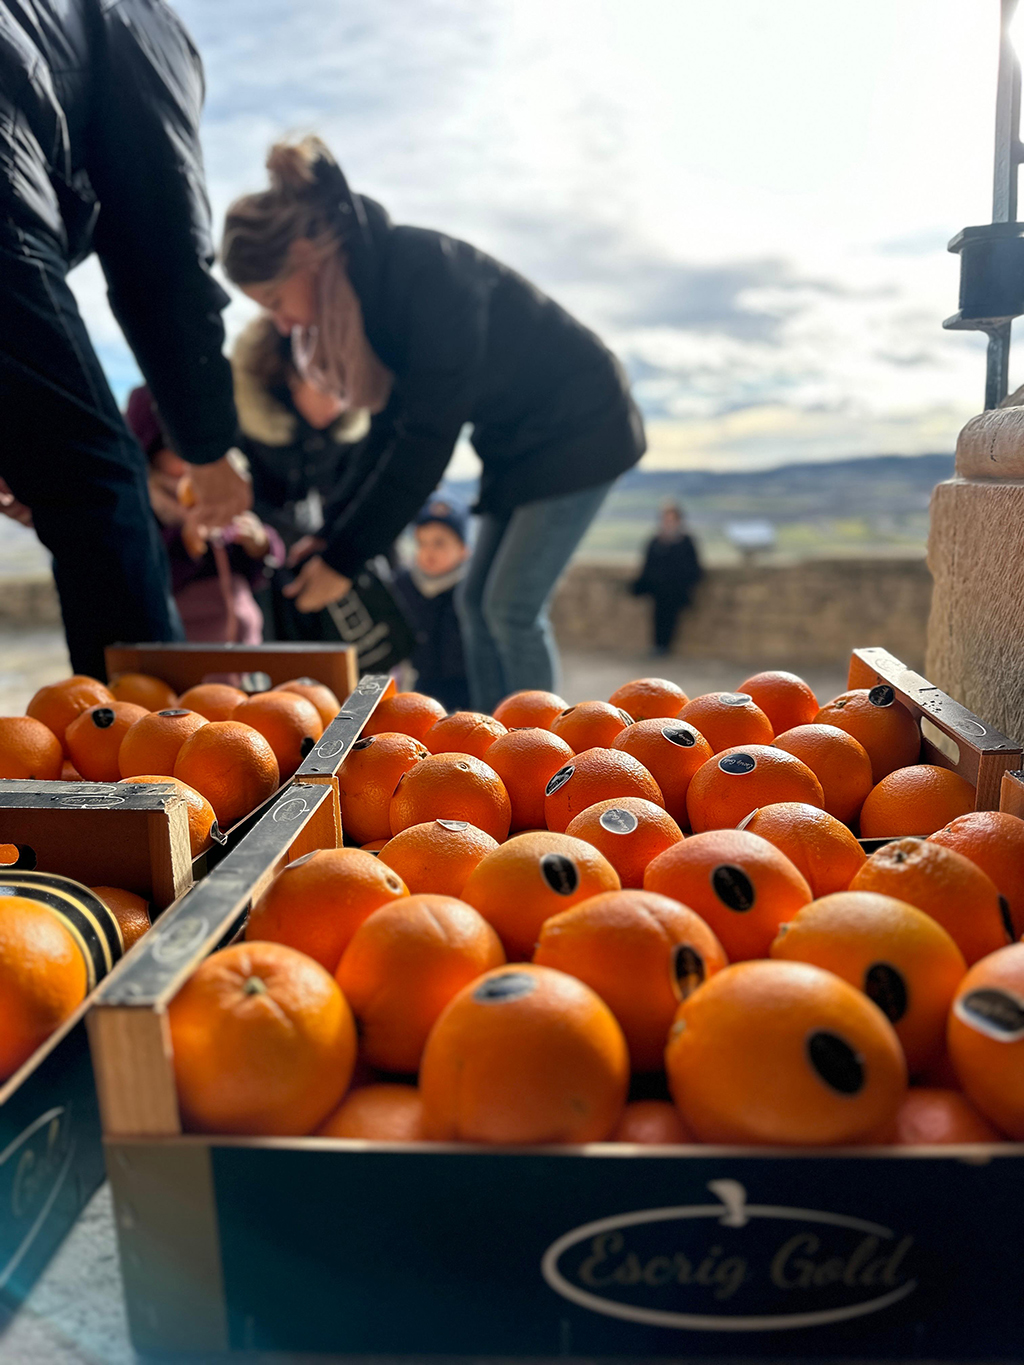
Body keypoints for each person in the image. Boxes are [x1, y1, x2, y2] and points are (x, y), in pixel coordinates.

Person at [220, 136, 646, 712]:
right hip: (516, 442)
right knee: (477, 605)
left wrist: (345, 561)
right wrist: (334, 533)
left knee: (511, 608)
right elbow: (387, 430)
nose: (285, 321)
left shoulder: (424, 278)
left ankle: (543, 750)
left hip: (582, 427)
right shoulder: (373, 294)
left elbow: (424, 442)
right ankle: (503, 741)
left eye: (274, 298)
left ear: (305, 254)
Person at [0, 0, 250, 679]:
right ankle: (151, 765)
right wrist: (207, 448)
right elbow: (162, 255)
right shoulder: (143, 24)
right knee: (99, 484)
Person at [230, 314, 369, 639]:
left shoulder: (347, 433)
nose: (336, 403)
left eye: (344, 389)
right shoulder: (242, 422)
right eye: (326, 386)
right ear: (294, 374)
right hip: (255, 566)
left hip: (325, 562)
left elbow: (356, 496)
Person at [126, 387, 282, 644]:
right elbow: (144, 575)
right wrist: (184, 544)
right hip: (189, 641)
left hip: (245, 641)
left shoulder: (219, 495)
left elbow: (255, 573)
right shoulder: (145, 507)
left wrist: (259, 544)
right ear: (151, 456)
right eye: (174, 449)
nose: (188, 461)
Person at [392, 499, 472, 712]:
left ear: (463, 550)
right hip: (424, 680)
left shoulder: (470, 589)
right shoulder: (405, 583)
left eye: (439, 543)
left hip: (466, 684)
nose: (429, 552)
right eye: (422, 543)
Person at [632, 502, 704, 656]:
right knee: (657, 618)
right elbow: (648, 565)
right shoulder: (656, 541)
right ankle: (658, 646)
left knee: (671, 619)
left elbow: (693, 567)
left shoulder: (685, 541)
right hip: (658, 590)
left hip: (676, 590)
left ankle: (665, 646)